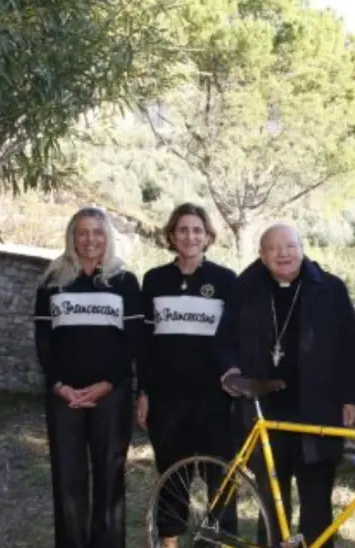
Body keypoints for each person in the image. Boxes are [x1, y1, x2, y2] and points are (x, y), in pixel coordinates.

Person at [215, 223, 355, 547]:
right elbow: (224, 337)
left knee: (317, 503)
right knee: (271, 504)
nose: (284, 253)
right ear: (262, 255)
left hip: (316, 410)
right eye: (274, 248)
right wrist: (230, 370)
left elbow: (351, 347)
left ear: (302, 248)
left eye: (290, 246)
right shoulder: (246, 287)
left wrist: (351, 398)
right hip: (265, 411)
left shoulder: (330, 288)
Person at [32, 206, 143, 548]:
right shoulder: (52, 281)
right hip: (64, 395)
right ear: (72, 237)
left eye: (98, 232)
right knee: (68, 477)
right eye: (83, 232)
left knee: (110, 477)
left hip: (112, 393)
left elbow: (133, 341)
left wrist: (108, 382)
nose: (90, 239)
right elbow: (43, 340)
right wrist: (59, 384)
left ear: (107, 237)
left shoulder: (124, 281)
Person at [136, 203, 238, 548]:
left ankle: (218, 543)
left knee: (220, 481)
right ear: (171, 235)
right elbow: (145, 344)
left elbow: (235, 339)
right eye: (183, 229)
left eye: (197, 230)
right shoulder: (153, 280)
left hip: (215, 400)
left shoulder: (226, 281)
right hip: (167, 400)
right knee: (172, 477)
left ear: (208, 236)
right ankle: (169, 543)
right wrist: (144, 392)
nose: (190, 236)